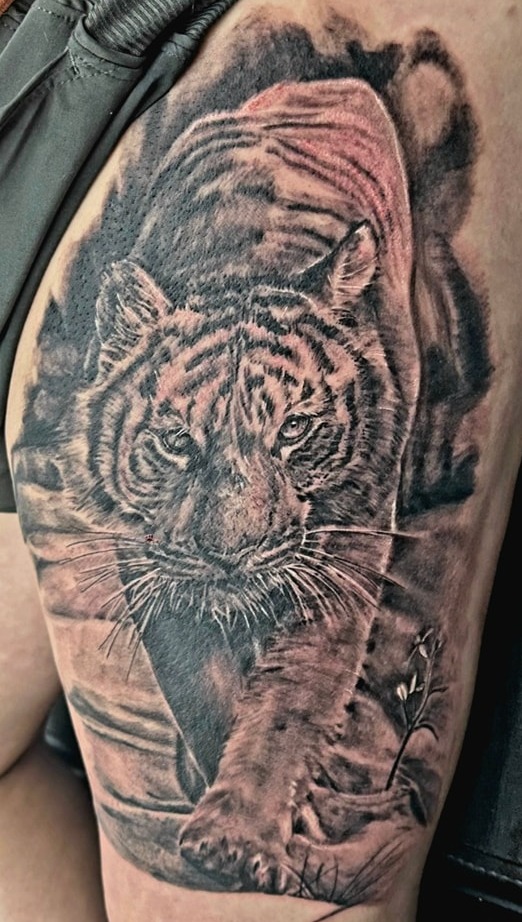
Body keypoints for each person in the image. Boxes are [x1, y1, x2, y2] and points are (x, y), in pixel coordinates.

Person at [0, 1, 521, 921]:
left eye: (297, 436)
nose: (236, 530)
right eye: (177, 444)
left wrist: (249, 799)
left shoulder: (358, 360)